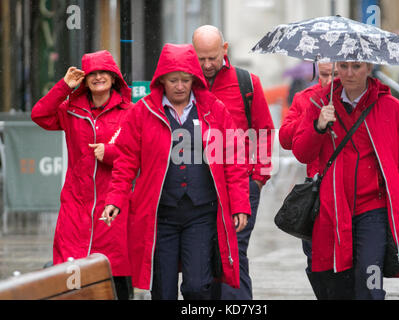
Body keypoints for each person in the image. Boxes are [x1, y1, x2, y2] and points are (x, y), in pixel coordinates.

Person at [101, 43, 251, 300]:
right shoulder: (142, 112)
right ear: (162, 81)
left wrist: (240, 205)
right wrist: (115, 199)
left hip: (201, 214)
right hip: (160, 217)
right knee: (163, 291)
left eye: (185, 80)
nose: (180, 86)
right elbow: (126, 161)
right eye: (173, 80)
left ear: (194, 80)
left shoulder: (214, 110)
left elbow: (234, 161)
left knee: (197, 287)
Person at [292, 61, 399, 299]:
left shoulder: (391, 108)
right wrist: (318, 126)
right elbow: (301, 152)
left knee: (370, 283)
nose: (349, 73)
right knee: (335, 288)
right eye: (343, 66)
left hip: (373, 212)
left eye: (357, 66)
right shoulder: (321, 103)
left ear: (370, 68)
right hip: (332, 212)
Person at [31, 50, 133, 299]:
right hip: (76, 205)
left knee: (113, 272)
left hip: (113, 205)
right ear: (85, 80)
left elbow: (139, 156)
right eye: (92, 73)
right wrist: (63, 87)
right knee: (71, 272)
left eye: (103, 72)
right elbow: (40, 115)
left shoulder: (130, 112)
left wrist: (109, 152)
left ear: (114, 76)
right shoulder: (71, 110)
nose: (98, 77)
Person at [192, 25, 274, 300]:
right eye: (200, 58)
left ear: (224, 50)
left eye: (212, 57)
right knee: (207, 251)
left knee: (233, 251)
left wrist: (259, 178)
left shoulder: (246, 83)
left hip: (242, 183)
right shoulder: (185, 84)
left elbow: (263, 130)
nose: (206, 65)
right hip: (200, 184)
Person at [279, 62, 337, 299]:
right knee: (315, 261)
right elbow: (285, 138)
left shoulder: (352, 100)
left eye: (334, 75)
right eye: (323, 75)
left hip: (346, 188)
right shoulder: (306, 98)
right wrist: (312, 121)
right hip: (317, 188)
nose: (329, 82)